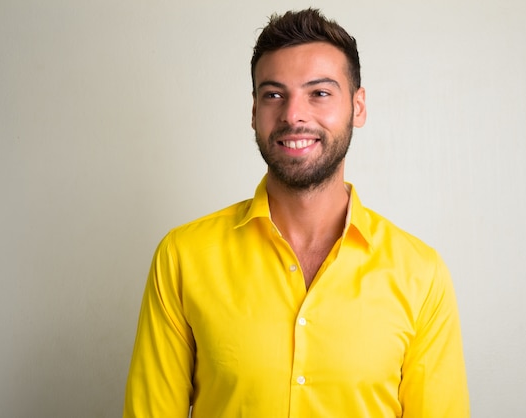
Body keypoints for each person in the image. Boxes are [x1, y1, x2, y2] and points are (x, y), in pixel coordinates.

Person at [124, 8, 469, 418]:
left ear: (358, 107)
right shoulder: (182, 257)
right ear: (254, 111)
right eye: (273, 94)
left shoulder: (420, 274)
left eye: (319, 93)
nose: (292, 115)